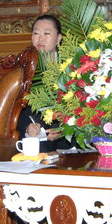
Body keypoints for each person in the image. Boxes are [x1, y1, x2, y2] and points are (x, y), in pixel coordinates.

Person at [17, 14, 72, 153]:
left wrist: (65, 129)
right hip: (38, 133)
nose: (40, 38)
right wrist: (28, 128)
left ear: (59, 38)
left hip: (68, 130)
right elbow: (17, 107)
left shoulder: (71, 67)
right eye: (36, 33)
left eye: (46, 33)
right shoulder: (23, 69)